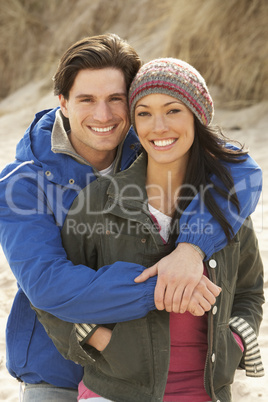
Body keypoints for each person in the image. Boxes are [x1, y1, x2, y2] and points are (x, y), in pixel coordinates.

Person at [0, 33, 262, 401]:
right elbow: (46, 284)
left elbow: (240, 171)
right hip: (55, 365)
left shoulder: (149, 140)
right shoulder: (21, 185)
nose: (103, 115)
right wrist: (165, 287)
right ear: (62, 102)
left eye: (115, 100)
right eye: (86, 100)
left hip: (154, 367)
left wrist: (191, 249)